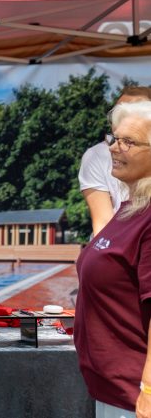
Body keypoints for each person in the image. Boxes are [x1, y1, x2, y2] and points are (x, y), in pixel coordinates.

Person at [75, 100, 151, 418]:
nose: (114, 149)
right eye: (114, 139)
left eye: (128, 142)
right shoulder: (129, 208)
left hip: (135, 397)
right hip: (114, 390)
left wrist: (148, 390)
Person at [79, 86, 151, 236]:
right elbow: (103, 223)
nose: (122, 117)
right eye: (118, 112)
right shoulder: (95, 156)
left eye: (135, 111)